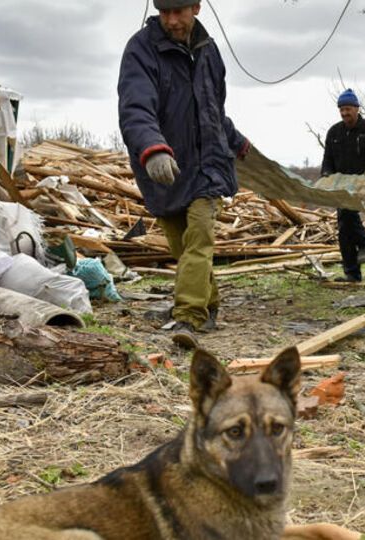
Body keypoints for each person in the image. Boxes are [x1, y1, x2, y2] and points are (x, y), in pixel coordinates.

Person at [118, 0, 249, 348]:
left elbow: (213, 109)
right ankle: (210, 306)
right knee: (184, 247)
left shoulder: (209, 51)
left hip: (207, 165)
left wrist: (236, 141)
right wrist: (153, 148)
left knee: (200, 239)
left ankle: (188, 317)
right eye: (165, 13)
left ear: (196, 8)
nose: (171, 20)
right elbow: (135, 107)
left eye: (178, 12)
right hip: (166, 167)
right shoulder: (141, 49)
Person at [320, 88, 365, 282]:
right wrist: (326, 175)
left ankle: (362, 244)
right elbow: (327, 159)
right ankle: (352, 272)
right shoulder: (334, 132)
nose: (345, 113)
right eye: (342, 110)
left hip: (364, 185)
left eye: (348, 109)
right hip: (342, 187)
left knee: (347, 221)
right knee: (344, 227)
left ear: (357, 108)